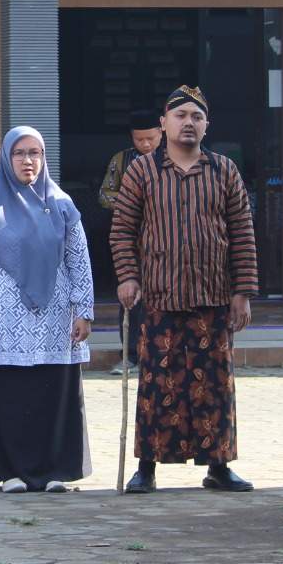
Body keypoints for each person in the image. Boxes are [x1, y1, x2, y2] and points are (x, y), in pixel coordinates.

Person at [110, 85, 259, 494]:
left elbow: (243, 234)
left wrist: (242, 291)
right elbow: (122, 231)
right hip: (159, 298)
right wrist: (127, 277)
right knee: (158, 386)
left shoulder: (224, 170)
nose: (188, 123)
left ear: (206, 124)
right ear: (163, 124)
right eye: (180, 116)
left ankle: (219, 466)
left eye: (196, 116)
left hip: (213, 299)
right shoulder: (142, 171)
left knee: (215, 387)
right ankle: (147, 467)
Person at [0, 126, 95, 493]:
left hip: (55, 319)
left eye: (35, 153)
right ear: (7, 158)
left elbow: (78, 259)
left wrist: (83, 308)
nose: (28, 160)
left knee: (53, 392)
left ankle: (56, 471)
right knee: (9, 393)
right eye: (20, 153)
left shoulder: (63, 204)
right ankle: (12, 472)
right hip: (1, 321)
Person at [97, 111, 164, 375]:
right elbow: (104, 194)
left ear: (162, 131)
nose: (146, 144)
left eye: (150, 138)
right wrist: (132, 202)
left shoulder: (174, 158)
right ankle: (132, 356)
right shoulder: (121, 160)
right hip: (131, 245)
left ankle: (160, 357)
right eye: (140, 140)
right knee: (131, 301)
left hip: (165, 246)